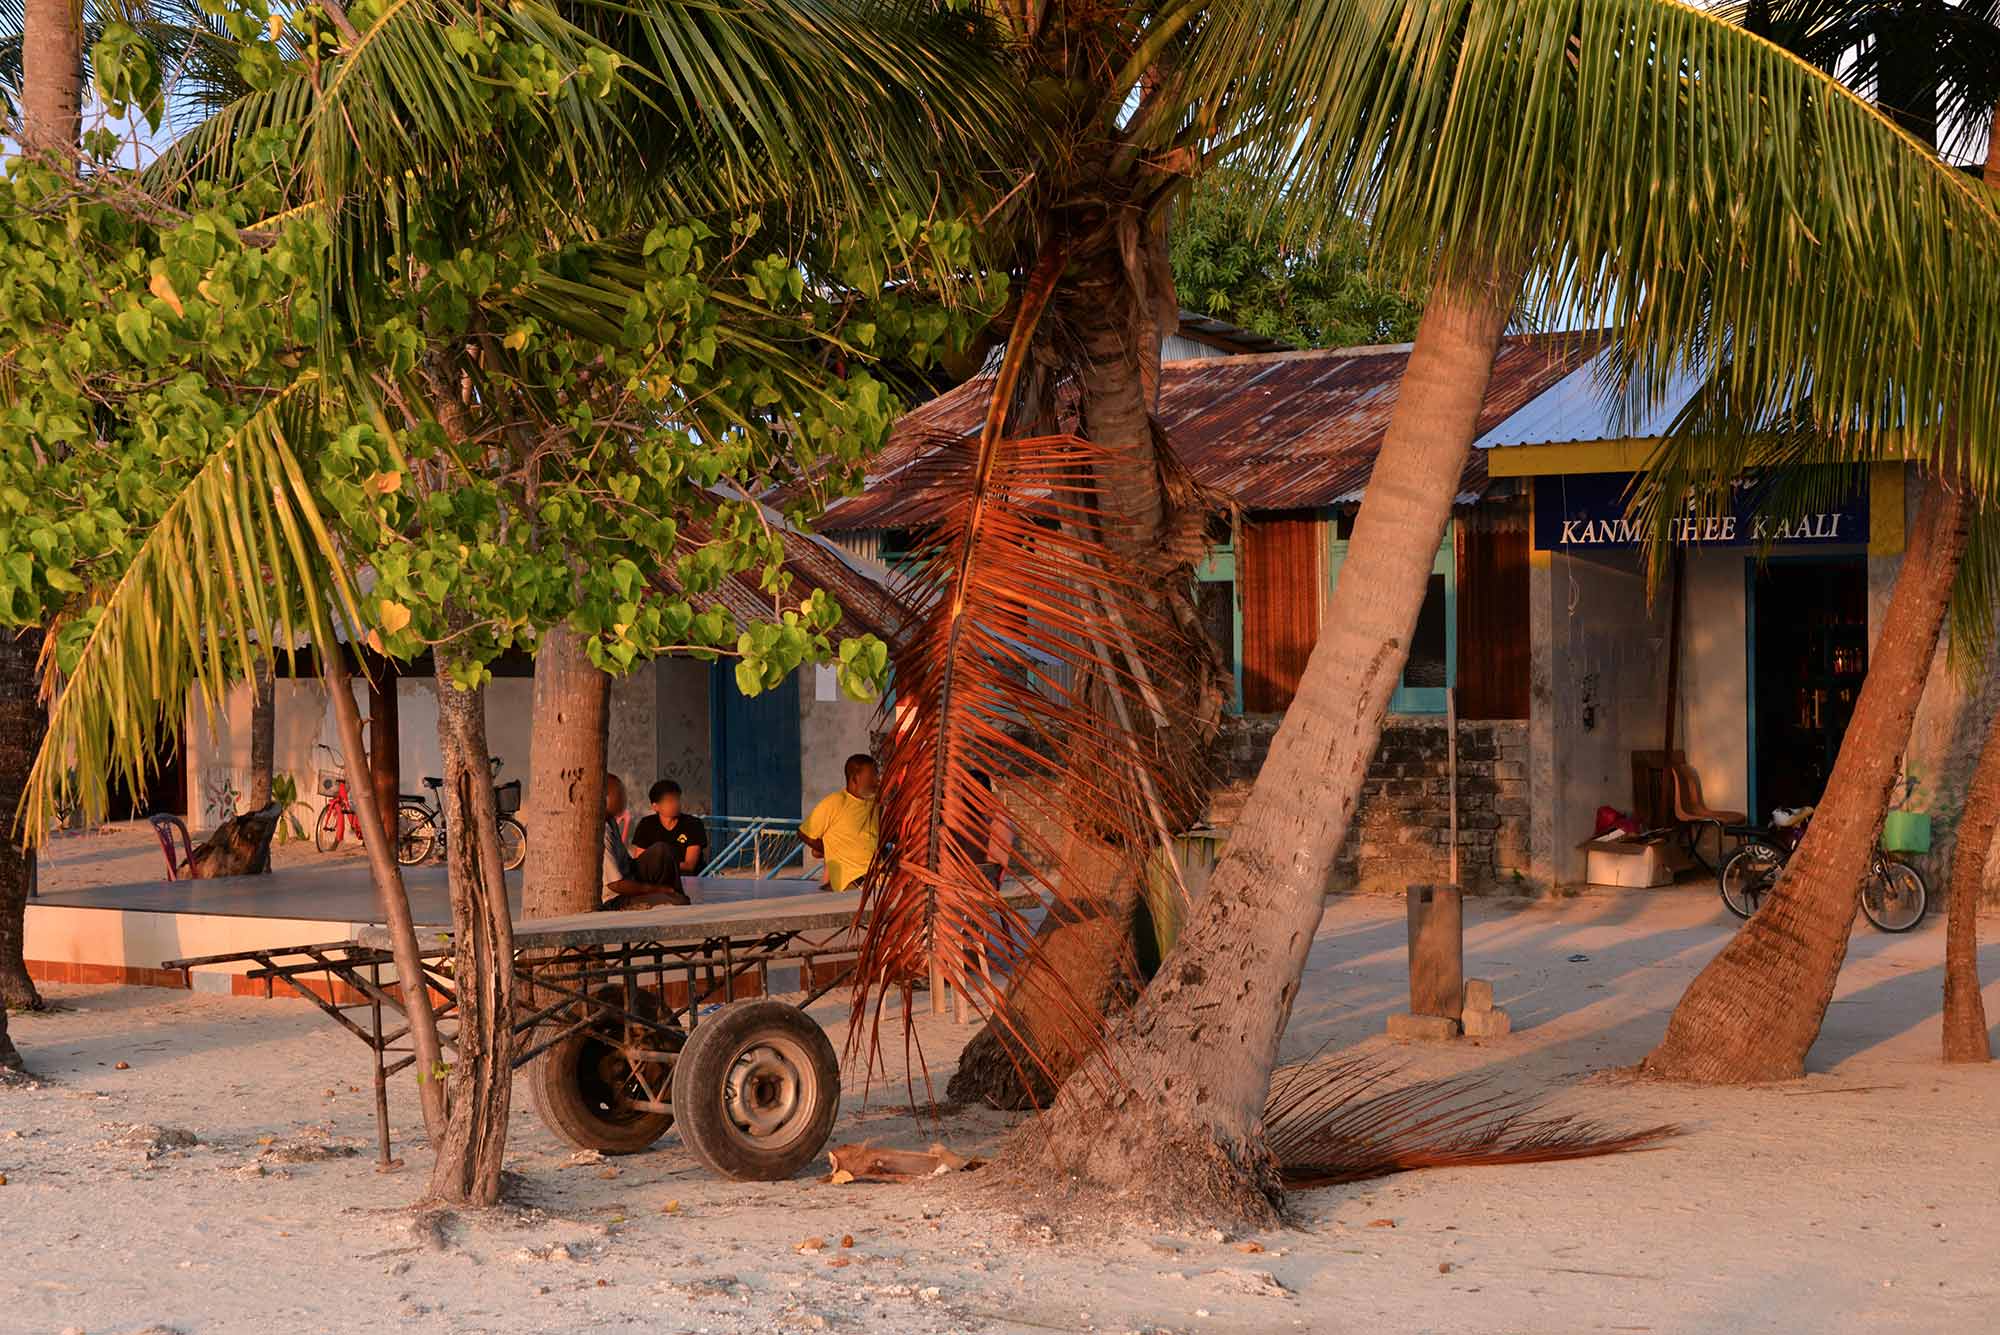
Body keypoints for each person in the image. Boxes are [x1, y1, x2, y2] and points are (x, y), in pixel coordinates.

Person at [602, 772, 687, 907]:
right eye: (620, 795)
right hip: (616, 897)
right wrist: (656, 890)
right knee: (676, 902)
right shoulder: (602, 832)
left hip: (630, 877)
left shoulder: (611, 822)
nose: (624, 800)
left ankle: (675, 893)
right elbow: (615, 885)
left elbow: (629, 863)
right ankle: (672, 896)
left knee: (662, 850)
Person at [800, 753, 879, 892]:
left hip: (879, 875)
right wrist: (831, 849)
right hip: (856, 881)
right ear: (855, 778)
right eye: (872, 776)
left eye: (876, 775)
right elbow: (804, 833)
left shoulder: (875, 805)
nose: (876, 780)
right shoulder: (834, 803)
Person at [629, 779, 708, 877]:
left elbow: (689, 866)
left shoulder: (693, 824)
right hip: (656, 879)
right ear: (655, 806)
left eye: (677, 799)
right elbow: (640, 860)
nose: (676, 804)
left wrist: (657, 867)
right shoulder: (646, 824)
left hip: (688, 879)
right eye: (669, 801)